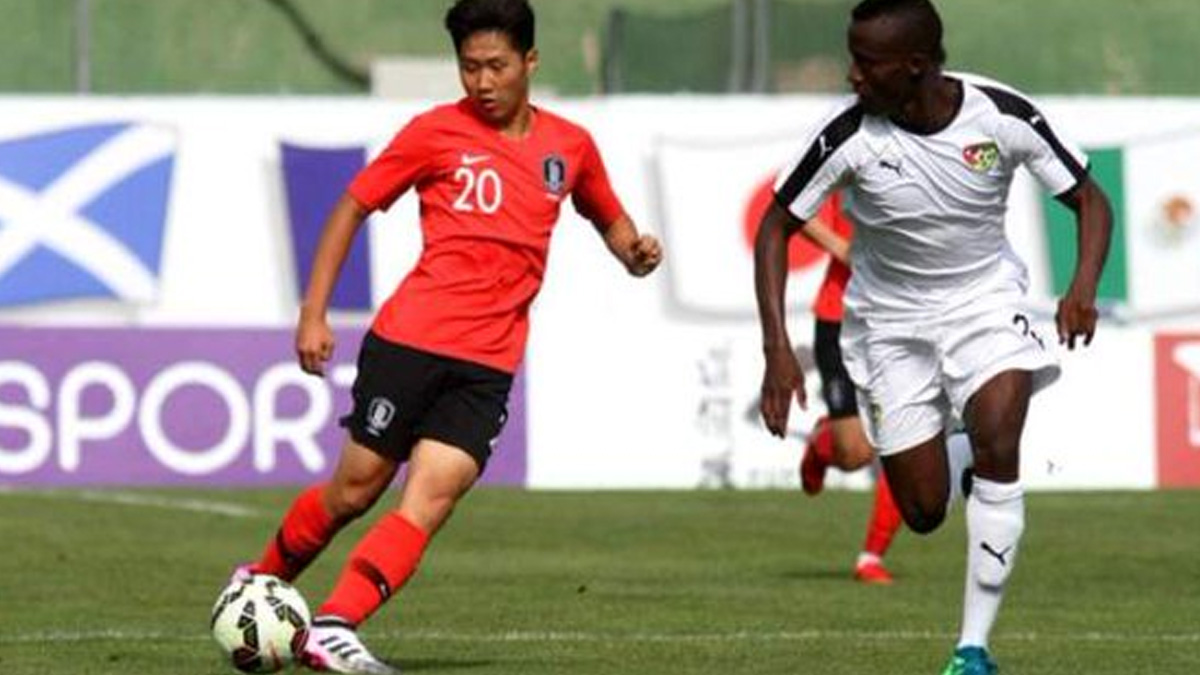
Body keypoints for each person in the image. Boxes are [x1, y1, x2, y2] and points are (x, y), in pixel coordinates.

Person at [229, 1, 662, 673]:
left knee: (432, 495)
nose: (481, 82)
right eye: (469, 67)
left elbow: (607, 215)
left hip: (489, 363)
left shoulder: (569, 147)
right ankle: (258, 578)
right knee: (354, 489)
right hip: (411, 342)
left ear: (529, 62)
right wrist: (314, 311)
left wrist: (631, 248)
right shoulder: (433, 133)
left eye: (495, 66)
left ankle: (335, 624)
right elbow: (352, 205)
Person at [753, 1, 1112, 673]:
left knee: (1002, 433)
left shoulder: (1001, 116)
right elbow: (776, 225)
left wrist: (1083, 285)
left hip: (984, 303)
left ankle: (972, 649)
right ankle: (956, 445)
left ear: (915, 66)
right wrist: (776, 349)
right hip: (889, 326)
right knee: (921, 510)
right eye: (852, 58)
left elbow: (1090, 198)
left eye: (867, 62)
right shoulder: (846, 136)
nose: (853, 75)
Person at [796, 192, 904, 585]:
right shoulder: (851, 144)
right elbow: (792, 204)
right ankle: (824, 443)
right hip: (839, 319)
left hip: (904, 324)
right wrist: (841, 247)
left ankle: (870, 558)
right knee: (855, 454)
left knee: (905, 444)